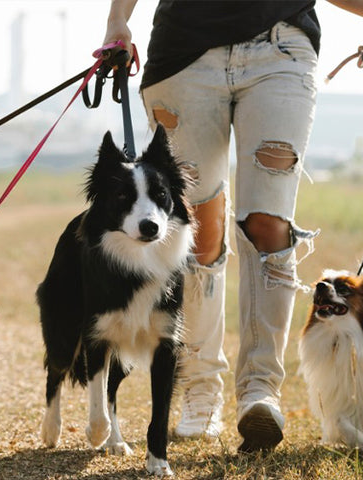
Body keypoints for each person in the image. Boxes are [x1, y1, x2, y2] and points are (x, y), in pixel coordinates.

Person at [103, 0, 363, 452]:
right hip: (184, 55)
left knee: (269, 222)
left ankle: (261, 390)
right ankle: (201, 389)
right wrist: (117, 18)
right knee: (198, 228)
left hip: (281, 50)